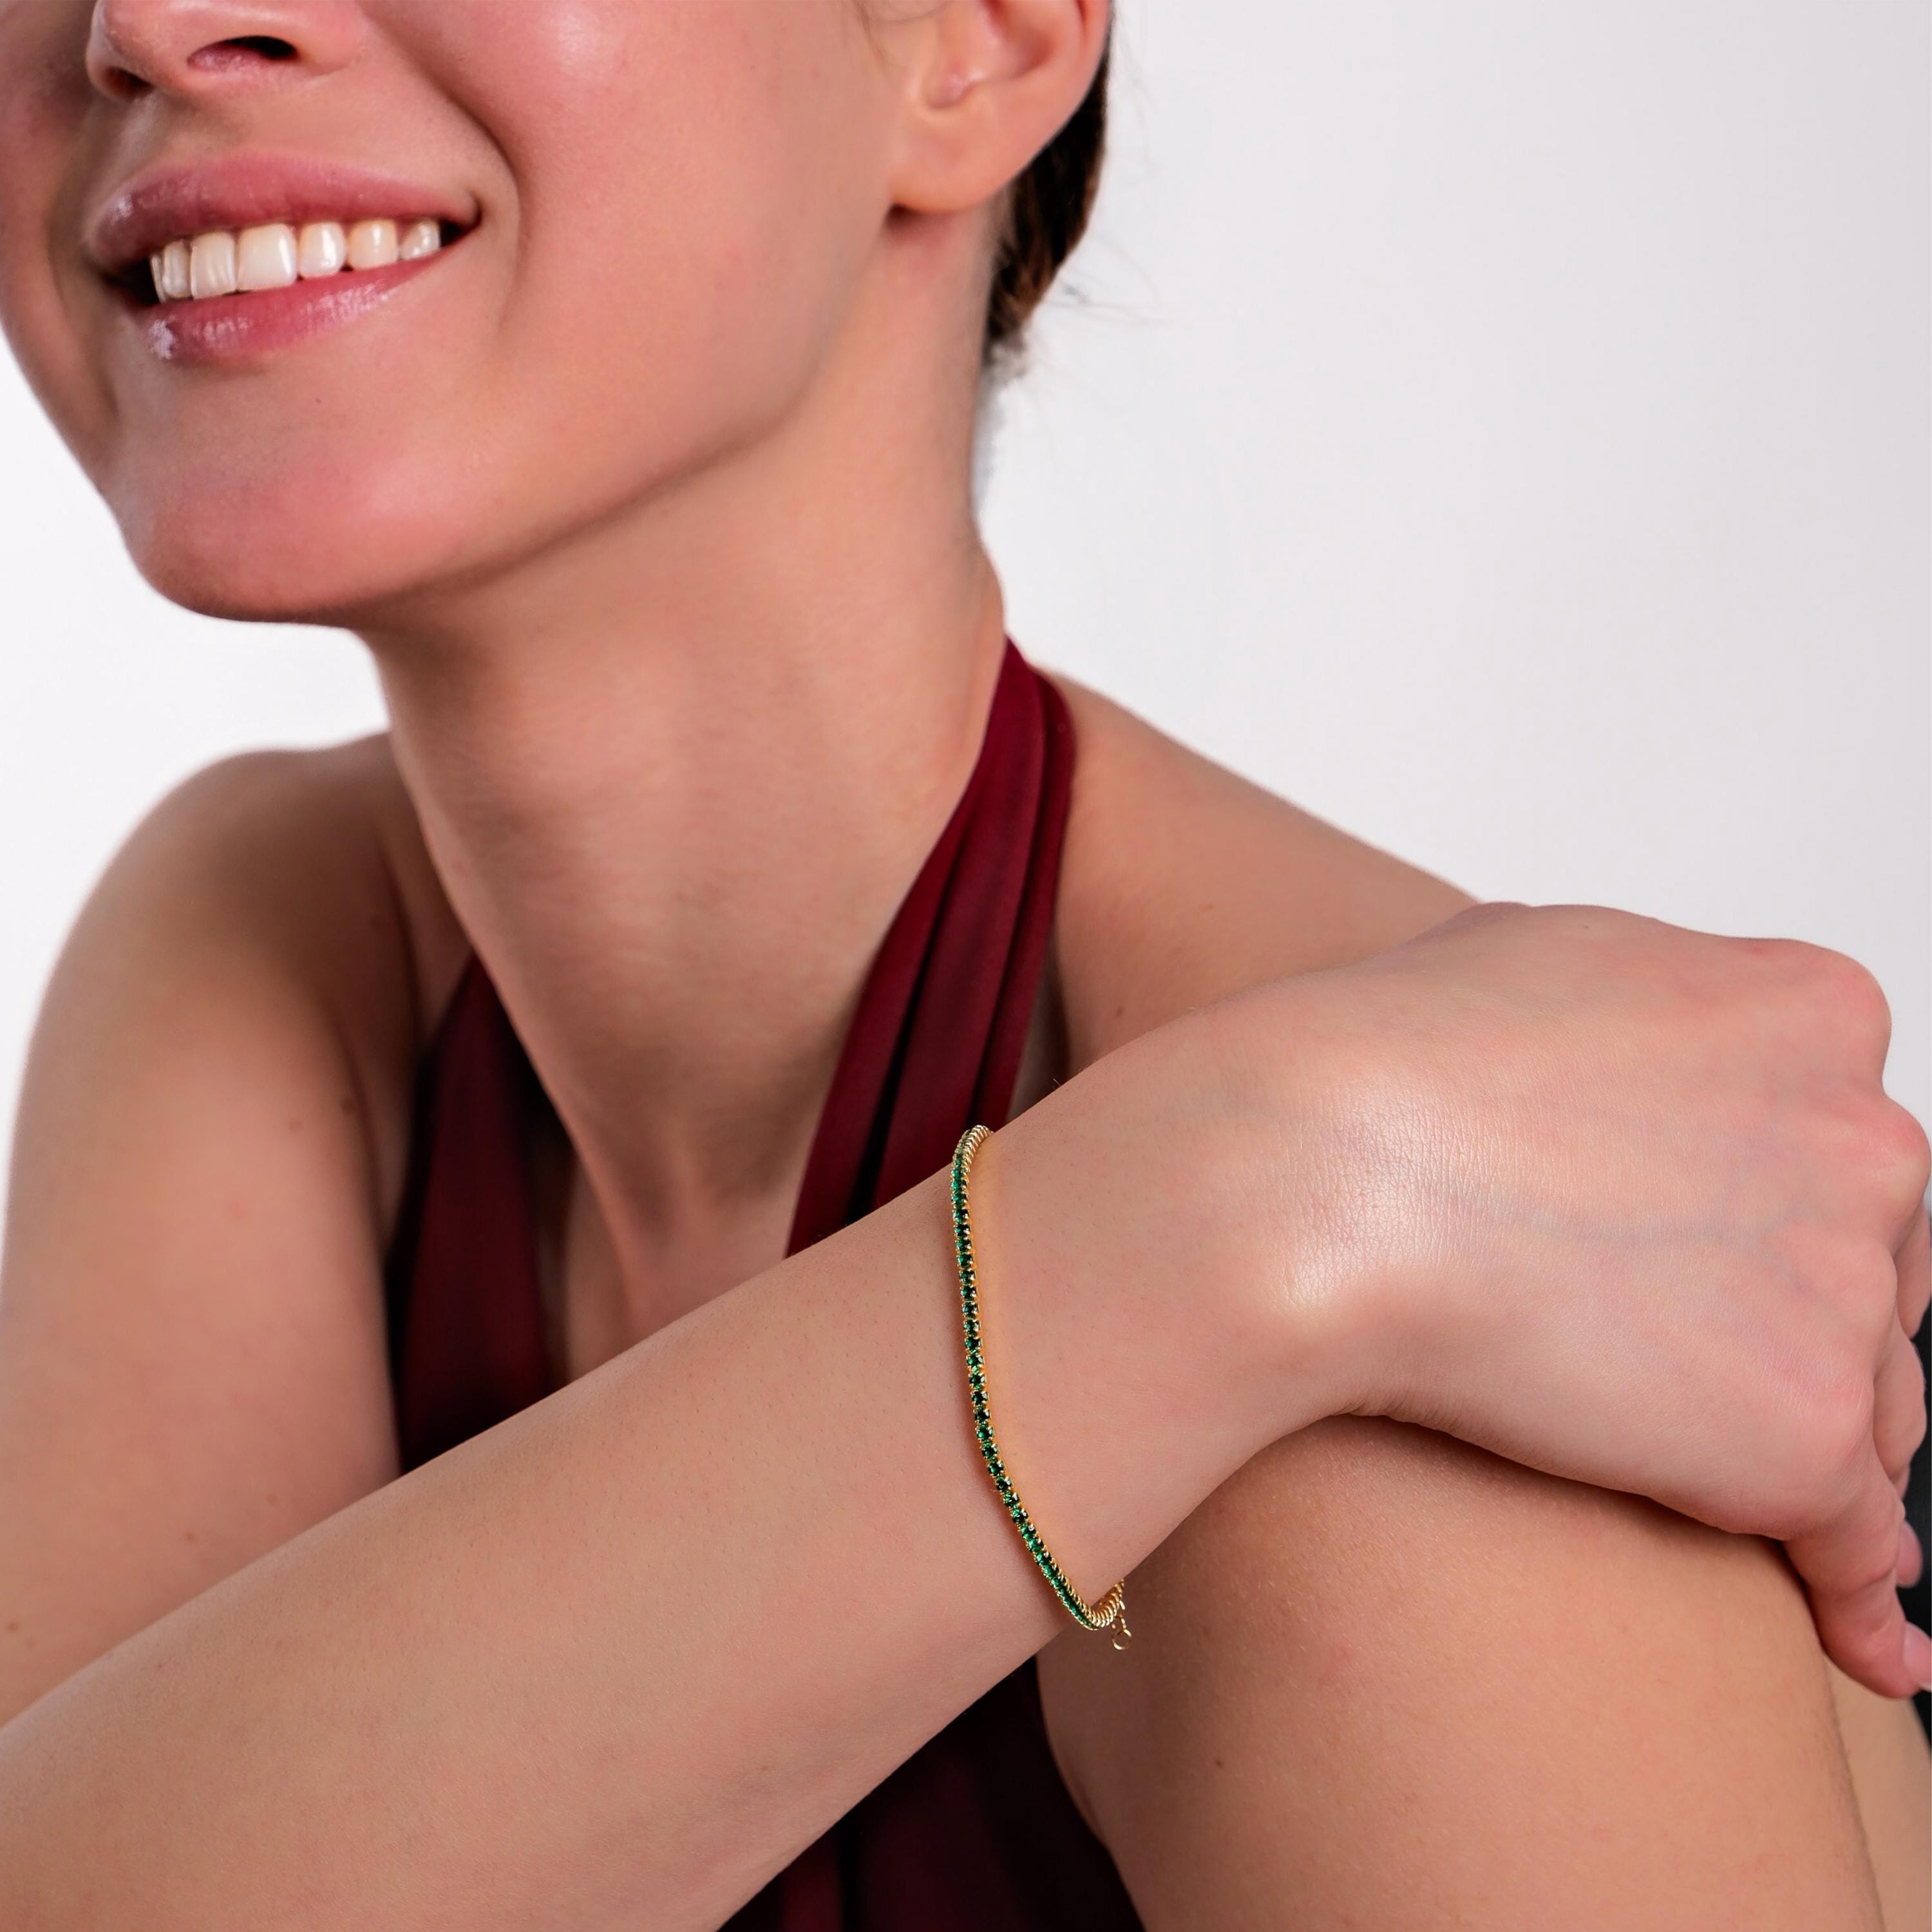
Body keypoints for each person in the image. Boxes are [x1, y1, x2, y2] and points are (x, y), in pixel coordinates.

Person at [0, 0, 1925, 1926]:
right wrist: (1238, 1208)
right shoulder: (278, 951)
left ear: (976, 44)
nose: (151, 23)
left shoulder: (1407, 1443)